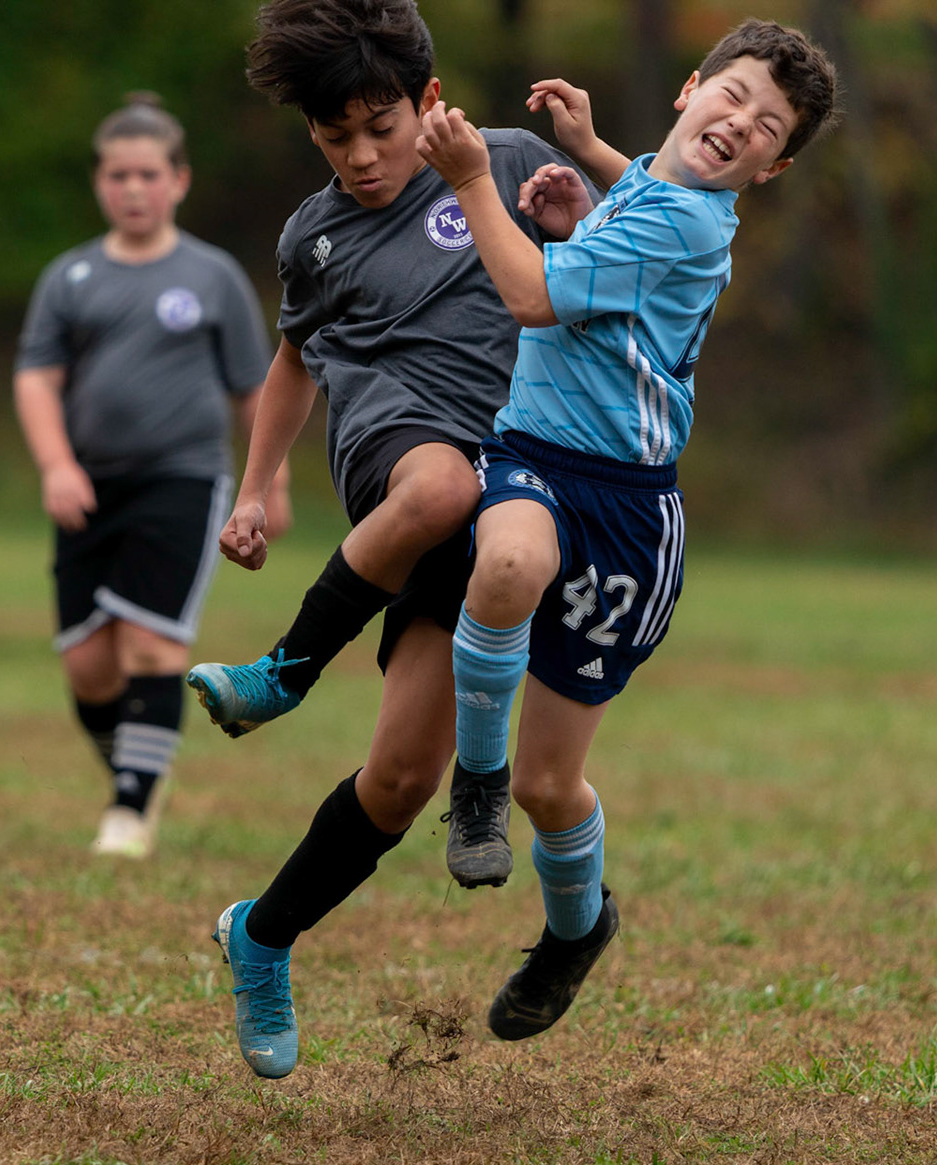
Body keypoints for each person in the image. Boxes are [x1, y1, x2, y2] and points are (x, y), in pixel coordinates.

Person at [411, 19, 839, 1041]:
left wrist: (474, 178)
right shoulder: (654, 180)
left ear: (771, 170)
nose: (738, 123)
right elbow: (639, 193)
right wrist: (592, 169)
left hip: (631, 511)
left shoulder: (692, 225)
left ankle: (574, 929)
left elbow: (529, 295)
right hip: (535, 454)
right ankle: (473, 790)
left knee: (552, 784)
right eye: (731, 95)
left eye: (766, 127)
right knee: (506, 560)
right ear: (690, 88)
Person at [200, 0, 598, 1078]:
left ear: (429, 101)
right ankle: (284, 667)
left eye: (381, 128)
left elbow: (615, 256)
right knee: (437, 488)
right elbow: (294, 361)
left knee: (398, 779)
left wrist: (580, 191)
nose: (363, 157)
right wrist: (259, 483)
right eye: (336, 139)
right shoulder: (313, 234)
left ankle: (262, 933)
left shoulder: (504, 158)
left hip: (521, 489)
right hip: (402, 444)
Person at [15, 94, 274, 859]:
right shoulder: (71, 276)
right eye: (119, 175)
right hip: (88, 485)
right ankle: (139, 769)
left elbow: (256, 386)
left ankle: (129, 809)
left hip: (184, 480)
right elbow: (36, 377)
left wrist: (269, 485)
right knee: (89, 667)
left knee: (152, 647)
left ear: (179, 180)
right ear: (100, 183)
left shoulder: (214, 276)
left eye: (148, 174)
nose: (134, 189)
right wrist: (57, 464)